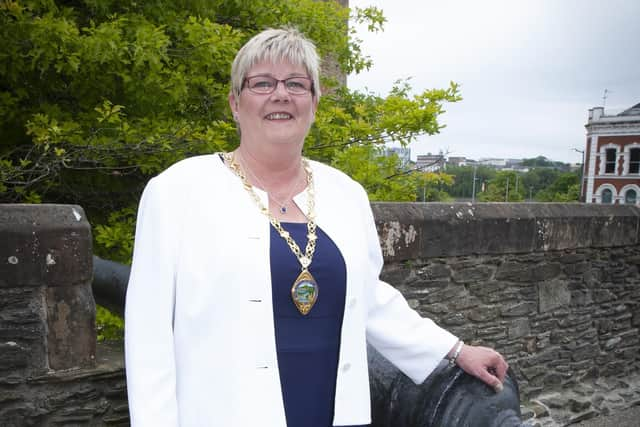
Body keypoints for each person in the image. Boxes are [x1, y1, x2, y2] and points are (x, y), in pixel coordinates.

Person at [124, 27, 508, 427]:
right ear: (235, 103)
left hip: (331, 409)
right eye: (262, 83)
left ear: (314, 102)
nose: (280, 94)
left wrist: (455, 350)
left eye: (296, 83)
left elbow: (369, 297)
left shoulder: (345, 193)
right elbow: (148, 336)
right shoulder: (177, 191)